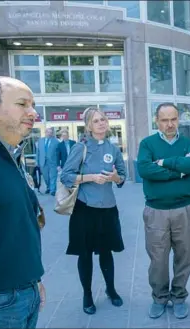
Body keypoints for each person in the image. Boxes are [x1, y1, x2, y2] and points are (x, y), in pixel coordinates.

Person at [0, 76, 46, 328]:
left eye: (33, 105)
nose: (33, 113)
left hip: (25, 291)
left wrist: (33, 279)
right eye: (23, 104)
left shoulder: (11, 155)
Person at [60, 107, 126, 315]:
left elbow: (122, 177)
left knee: (107, 252)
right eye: (96, 121)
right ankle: (87, 295)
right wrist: (90, 178)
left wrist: (115, 178)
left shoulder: (113, 149)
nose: (101, 123)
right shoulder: (81, 148)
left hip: (108, 209)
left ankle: (111, 289)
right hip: (85, 209)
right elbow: (66, 176)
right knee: (86, 254)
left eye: (104, 119)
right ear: (88, 125)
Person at [137, 102, 190, 320]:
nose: (170, 124)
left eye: (173, 119)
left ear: (178, 120)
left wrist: (165, 163)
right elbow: (144, 169)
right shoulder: (147, 144)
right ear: (157, 121)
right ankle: (160, 297)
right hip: (157, 211)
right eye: (165, 120)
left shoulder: (187, 143)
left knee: (185, 256)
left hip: (186, 209)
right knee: (158, 259)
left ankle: (179, 296)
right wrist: (178, 171)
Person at [36, 127, 59, 195]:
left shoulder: (56, 141)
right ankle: (48, 188)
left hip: (53, 162)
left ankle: (53, 190)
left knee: (53, 176)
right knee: (46, 177)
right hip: (42, 162)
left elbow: (58, 153)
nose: (49, 134)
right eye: (48, 132)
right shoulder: (40, 141)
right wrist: (37, 162)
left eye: (51, 132)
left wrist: (58, 163)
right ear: (45, 132)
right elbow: (38, 152)